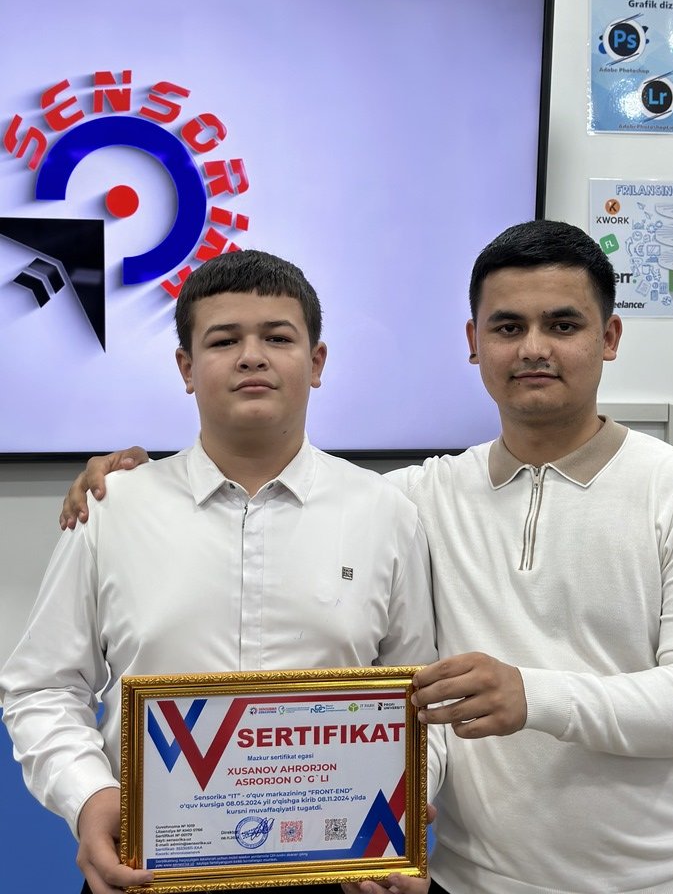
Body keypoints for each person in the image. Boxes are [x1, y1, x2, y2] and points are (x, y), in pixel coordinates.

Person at [55, 220, 673, 893]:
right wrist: (137, 482)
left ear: (610, 337)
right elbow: (282, 490)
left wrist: (532, 693)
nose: (534, 348)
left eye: (563, 325)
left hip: (655, 881)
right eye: (508, 327)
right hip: (467, 880)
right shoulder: (415, 498)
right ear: (475, 343)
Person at [0, 249, 437, 894]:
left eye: (278, 338)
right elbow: (42, 687)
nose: (251, 357)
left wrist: (400, 805)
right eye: (224, 340)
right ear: (186, 367)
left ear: (317, 362)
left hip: (336, 869)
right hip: (145, 868)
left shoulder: (385, 512)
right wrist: (89, 796)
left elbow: (421, 699)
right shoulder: (113, 509)